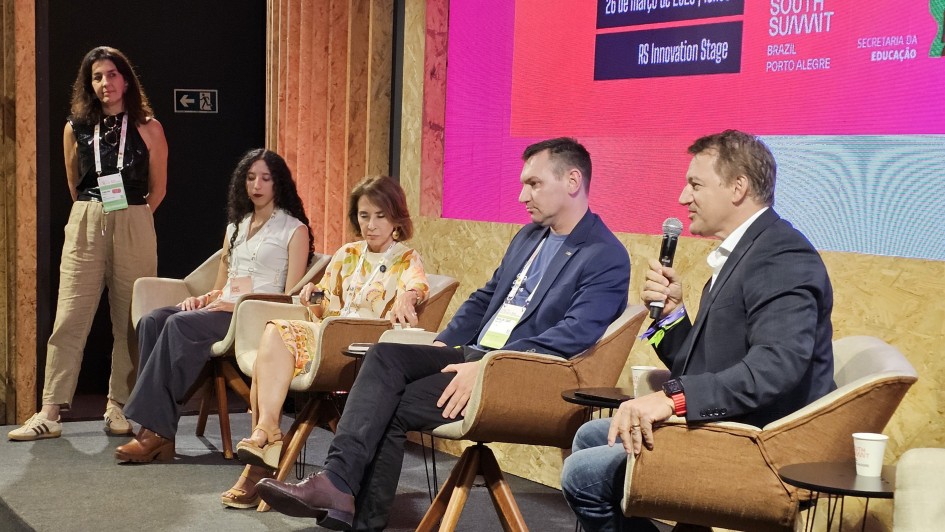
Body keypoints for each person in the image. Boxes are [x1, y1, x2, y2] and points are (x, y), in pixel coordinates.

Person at [255, 137, 632, 531]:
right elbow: (485, 298)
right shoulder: (529, 238)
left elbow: (573, 335)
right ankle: (338, 486)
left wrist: (489, 366)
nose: (522, 195)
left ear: (573, 181)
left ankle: (347, 503)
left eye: (534, 184)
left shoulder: (604, 255)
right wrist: (440, 344)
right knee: (386, 355)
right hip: (474, 355)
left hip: (523, 375)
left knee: (392, 405)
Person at [560, 130, 835, 532]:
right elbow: (708, 364)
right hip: (733, 423)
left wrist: (672, 400)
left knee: (584, 474)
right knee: (592, 437)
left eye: (695, 184)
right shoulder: (747, 252)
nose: (682, 198)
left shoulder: (781, 255)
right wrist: (670, 317)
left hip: (759, 445)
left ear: (737, 187)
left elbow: (775, 367)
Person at [221, 175, 430, 509]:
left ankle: (262, 448)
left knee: (276, 338)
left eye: (380, 216)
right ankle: (266, 431)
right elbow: (326, 302)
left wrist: (407, 296)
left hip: (363, 347)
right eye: (364, 216)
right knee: (273, 333)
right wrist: (312, 296)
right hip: (329, 333)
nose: (371, 225)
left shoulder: (406, 258)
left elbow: (418, 287)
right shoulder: (348, 253)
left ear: (396, 219)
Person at [113, 148, 313, 463]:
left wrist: (240, 306)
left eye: (265, 178)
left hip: (254, 316)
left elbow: (290, 296)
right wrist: (203, 299)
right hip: (222, 308)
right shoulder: (236, 226)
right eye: (250, 178)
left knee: (178, 325)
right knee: (153, 320)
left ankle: (154, 433)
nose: (256, 185)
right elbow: (221, 284)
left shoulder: (294, 230)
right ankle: (158, 430)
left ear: (278, 184)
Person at [9, 46, 168, 441]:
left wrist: (132, 217)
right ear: (89, 84)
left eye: (111, 75)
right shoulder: (74, 127)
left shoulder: (149, 127)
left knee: (129, 321)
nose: (105, 84)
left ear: (125, 80)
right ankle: (50, 410)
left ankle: (118, 406)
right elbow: (71, 182)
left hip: (134, 217)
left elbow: (158, 188)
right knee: (69, 317)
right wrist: (92, 213)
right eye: (97, 77)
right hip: (86, 218)